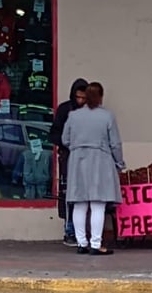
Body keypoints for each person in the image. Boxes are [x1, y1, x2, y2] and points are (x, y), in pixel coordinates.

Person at [62, 82, 125, 255]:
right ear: (100, 97)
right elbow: (115, 144)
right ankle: (96, 245)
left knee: (80, 204)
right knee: (98, 205)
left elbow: (65, 139)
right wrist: (119, 163)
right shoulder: (107, 116)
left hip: (77, 160)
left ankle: (81, 244)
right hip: (100, 160)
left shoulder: (73, 116)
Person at [49, 78, 88, 246]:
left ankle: (83, 232)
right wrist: (68, 143)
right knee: (69, 195)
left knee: (86, 196)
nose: (80, 101)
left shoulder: (91, 111)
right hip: (68, 157)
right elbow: (54, 134)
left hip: (87, 159)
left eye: (83, 98)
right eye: (78, 97)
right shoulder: (65, 109)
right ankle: (70, 230)